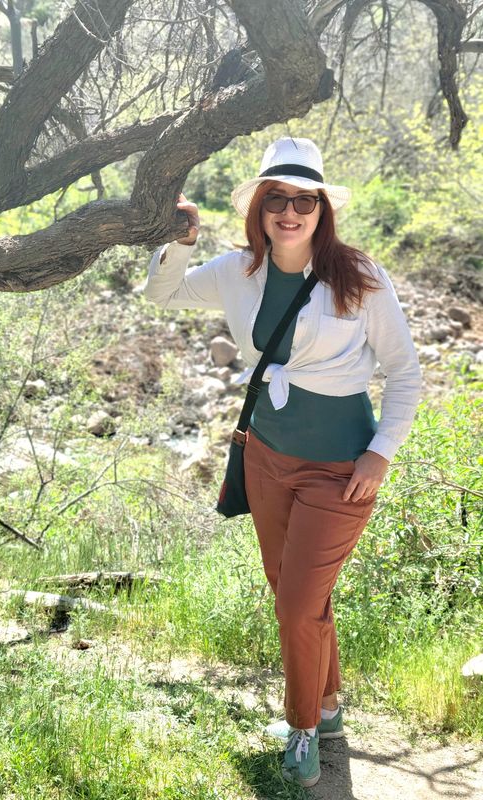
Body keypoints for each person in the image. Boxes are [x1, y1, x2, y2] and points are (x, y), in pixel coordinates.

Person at [143, 137, 421, 788]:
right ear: (260, 208)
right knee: (296, 595)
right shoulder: (238, 271)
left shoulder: (360, 276)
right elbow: (163, 294)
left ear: (323, 210)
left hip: (340, 470)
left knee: (298, 605)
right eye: (277, 199)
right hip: (265, 457)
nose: (290, 211)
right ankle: (327, 707)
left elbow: (406, 372)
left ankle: (301, 730)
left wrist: (380, 455)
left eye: (304, 200)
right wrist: (182, 238)